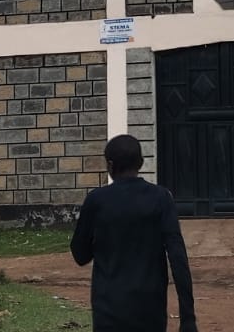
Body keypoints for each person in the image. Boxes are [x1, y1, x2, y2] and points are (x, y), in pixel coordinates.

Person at [70, 134, 197, 332]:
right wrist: (188, 318)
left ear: (110, 165)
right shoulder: (161, 198)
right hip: (150, 310)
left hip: (108, 310)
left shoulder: (96, 200)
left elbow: (80, 255)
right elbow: (178, 258)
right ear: (141, 163)